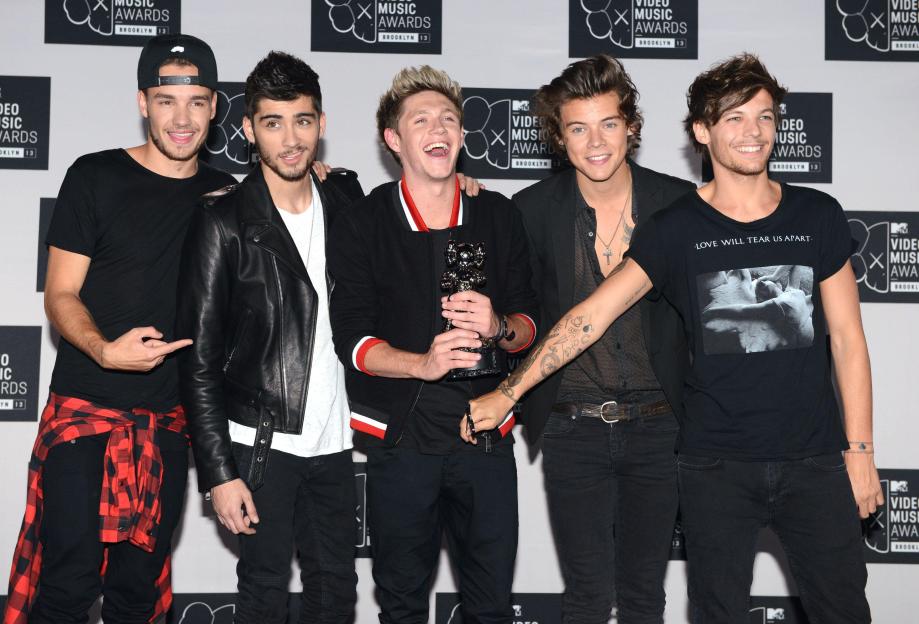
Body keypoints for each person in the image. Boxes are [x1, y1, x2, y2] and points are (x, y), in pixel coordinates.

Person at [467, 53, 882, 624]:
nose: (751, 132)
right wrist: (510, 392)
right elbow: (589, 317)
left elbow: (849, 341)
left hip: (808, 460)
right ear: (702, 132)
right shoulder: (674, 227)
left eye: (763, 116)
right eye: (733, 119)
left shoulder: (814, 213)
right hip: (712, 463)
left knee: (842, 611)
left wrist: (860, 453)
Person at [4, 34, 235, 624]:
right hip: (85, 411)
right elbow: (60, 294)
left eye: (196, 102)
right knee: (67, 587)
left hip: (169, 426)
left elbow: (311, 197)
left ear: (214, 106)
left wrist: (322, 171)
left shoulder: (231, 195)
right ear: (142, 102)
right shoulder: (95, 176)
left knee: (138, 595)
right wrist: (104, 350)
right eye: (165, 101)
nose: (181, 119)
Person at [327, 65, 539, 624]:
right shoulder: (364, 221)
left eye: (448, 118)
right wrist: (421, 363)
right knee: (400, 603)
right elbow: (350, 340)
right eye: (420, 120)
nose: (437, 127)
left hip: (486, 435)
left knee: (491, 604)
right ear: (394, 140)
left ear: (463, 136)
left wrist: (498, 325)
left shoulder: (497, 213)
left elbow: (531, 327)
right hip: (401, 442)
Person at [175, 51, 364, 624]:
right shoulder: (223, 221)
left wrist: (464, 184)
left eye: (302, 120)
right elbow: (199, 361)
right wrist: (218, 475)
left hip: (334, 443)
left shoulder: (348, 200)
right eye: (273, 122)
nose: (290, 139)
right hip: (259, 444)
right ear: (248, 129)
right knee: (262, 595)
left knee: (336, 595)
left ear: (322, 124)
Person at [513, 55, 693, 623]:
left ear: (631, 126)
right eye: (578, 128)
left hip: (661, 426)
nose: (596, 142)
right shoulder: (531, 211)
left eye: (608, 124)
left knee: (644, 596)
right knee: (587, 596)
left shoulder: (680, 204)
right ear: (559, 138)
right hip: (572, 427)